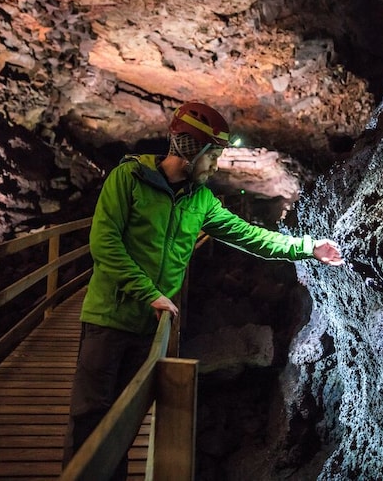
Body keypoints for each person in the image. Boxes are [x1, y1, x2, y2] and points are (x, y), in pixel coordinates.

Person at [61, 102, 343, 478]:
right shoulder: (128, 179)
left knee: (123, 422)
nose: (217, 164)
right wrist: (150, 293)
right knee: (89, 416)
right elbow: (105, 245)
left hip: (151, 326)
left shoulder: (201, 200)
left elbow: (249, 237)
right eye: (214, 154)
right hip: (107, 318)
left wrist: (308, 247)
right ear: (191, 150)